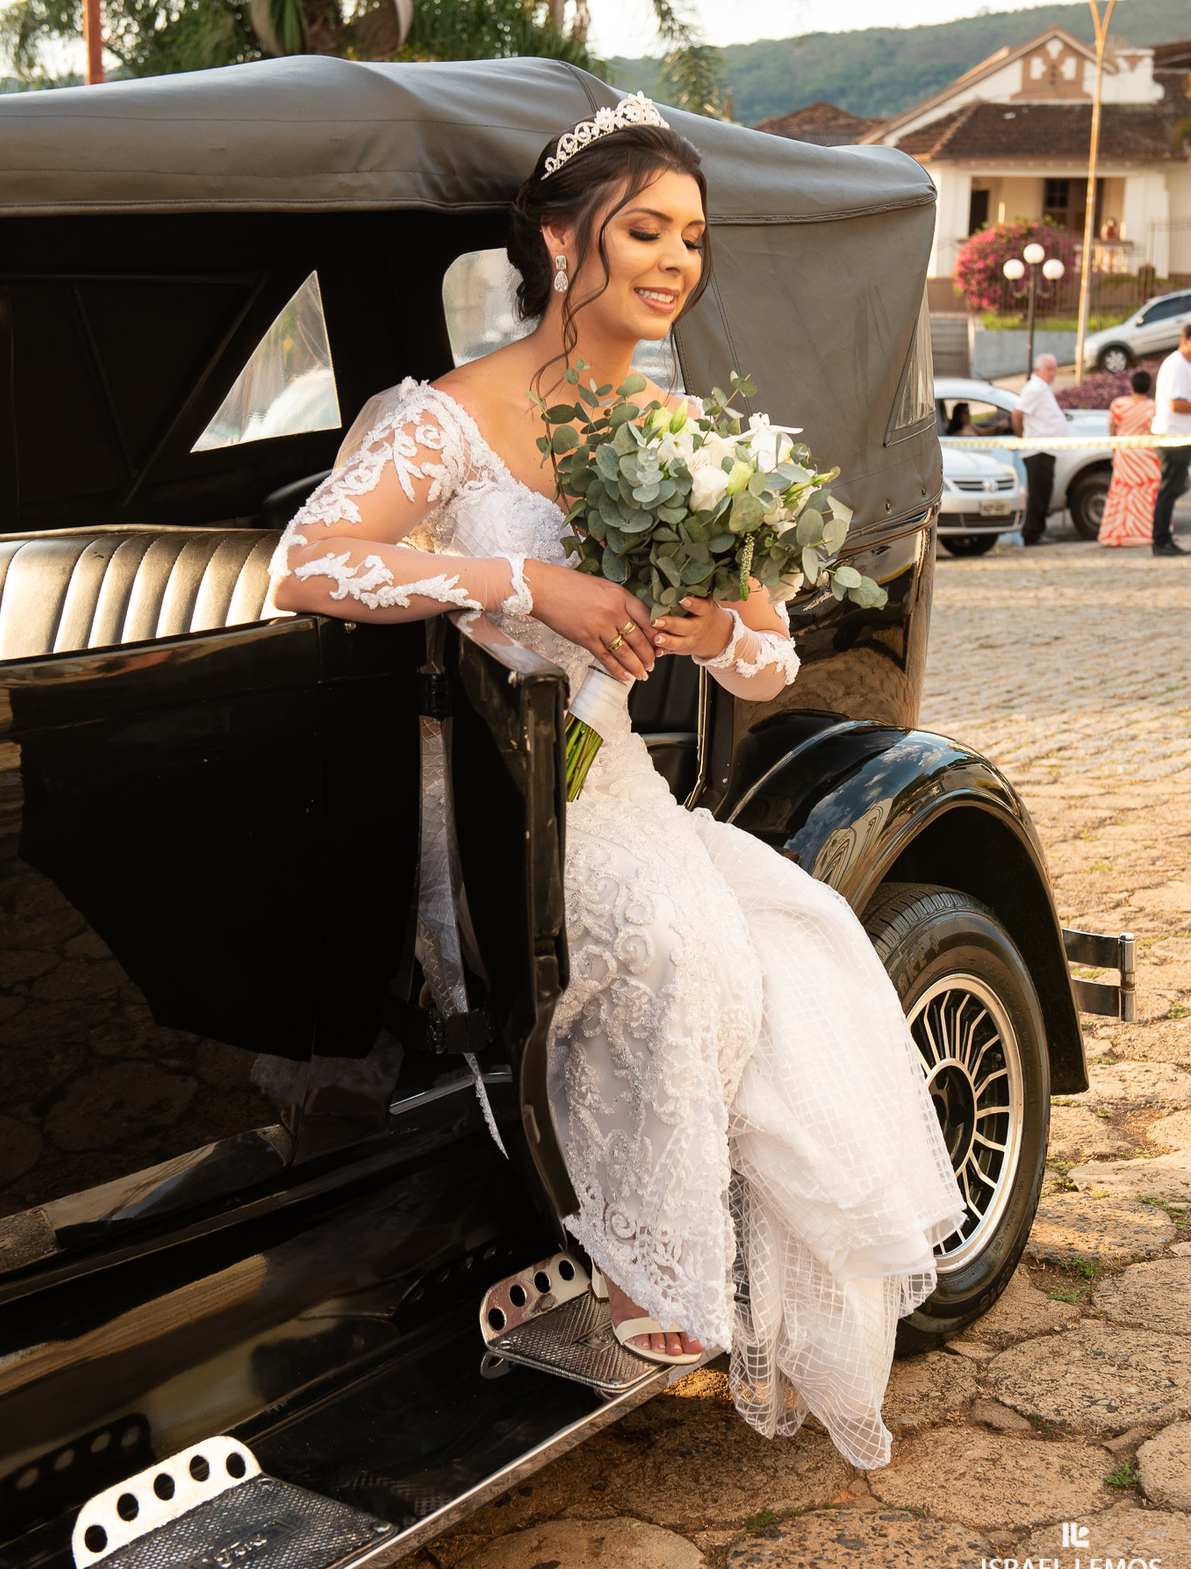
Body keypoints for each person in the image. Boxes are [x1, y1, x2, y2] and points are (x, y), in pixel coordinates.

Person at [270, 98, 964, 1472]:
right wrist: (528, 582)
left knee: (776, 949)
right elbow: (311, 563)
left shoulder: (684, 427)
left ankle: (657, 1278)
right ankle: (652, 1273)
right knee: (689, 948)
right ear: (553, 238)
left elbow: (766, 656)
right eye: (644, 230)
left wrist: (716, 631)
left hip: (604, 777)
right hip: (473, 784)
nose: (673, 262)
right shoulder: (443, 419)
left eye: (692, 239)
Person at [1098, 371, 1159, 548]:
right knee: (1147, 493)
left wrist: (1115, 450)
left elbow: (1112, 427)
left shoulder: (1118, 405)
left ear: (1131, 386)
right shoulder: (1153, 407)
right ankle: (1147, 531)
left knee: (1121, 493)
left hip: (1125, 453)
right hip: (1146, 454)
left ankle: (1116, 533)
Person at [1011, 353, 1066, 544]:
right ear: (1038, 369)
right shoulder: (1034, 388)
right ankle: (1032, 533)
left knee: (1044, 492)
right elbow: (1017, 414)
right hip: (1037, 449)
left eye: (1055, 370)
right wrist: (1022, 439)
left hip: (1047, 449)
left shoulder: (1042, 388)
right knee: (1038, 494)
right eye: (1049, 369)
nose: (1053, 374)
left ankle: (1037, 530)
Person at [1152, 324, 1191, 556]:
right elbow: (1177, 404)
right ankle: (1161, 540)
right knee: (1169, 489)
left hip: (1180, 435)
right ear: (1185, 340)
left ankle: (1163, 537)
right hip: (1172, 436)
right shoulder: (1177, 365)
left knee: (1177, 485)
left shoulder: (1183, 364)